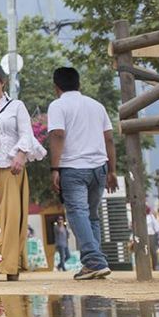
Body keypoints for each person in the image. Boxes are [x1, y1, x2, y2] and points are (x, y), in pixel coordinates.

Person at [0, 61, 46, 282]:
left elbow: (26, 134)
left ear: (3, 83)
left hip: (10, 170)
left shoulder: (16, 106)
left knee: (11, 219)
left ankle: (10, 265)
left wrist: (20, 155)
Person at [47, 67, 118, 280]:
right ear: (79, 84)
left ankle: (95, 261)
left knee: (77, 213)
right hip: (99, 167)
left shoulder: (58, 106)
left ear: (56, 87)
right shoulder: (97, 106)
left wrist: (55, 168)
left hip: (73, 168)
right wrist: (112, 170)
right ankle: (92, 263)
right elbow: (109, 139)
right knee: (92, 216)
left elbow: (58, 135)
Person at [145, 206, 159, 270]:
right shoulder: (140, 217)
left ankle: (155, 266)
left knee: (153, 251)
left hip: (151, 235)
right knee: (145, 251)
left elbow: (156, 226)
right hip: (144, 236)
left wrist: (158, 234)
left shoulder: (151, 217)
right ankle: (146, 266)